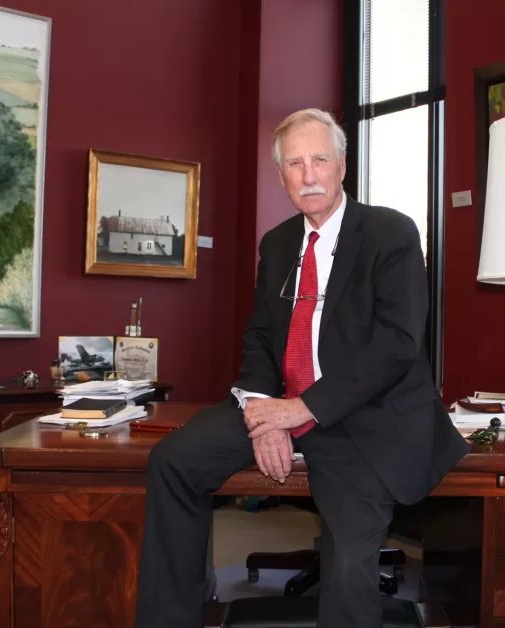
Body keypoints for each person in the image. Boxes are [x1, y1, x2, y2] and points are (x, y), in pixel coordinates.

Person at [135, 109, 469, 628]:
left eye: (319, 159)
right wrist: (261, 413)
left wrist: (300, 410)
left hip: (360, 416)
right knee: (174, 462)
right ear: (282, 175)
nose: (308, 174)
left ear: (341, 165)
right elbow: (262, 338)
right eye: (295, 163)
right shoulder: (278, 242)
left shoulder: (390, 233)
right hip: (283, 401)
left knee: (350, 563)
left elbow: (397, 345)